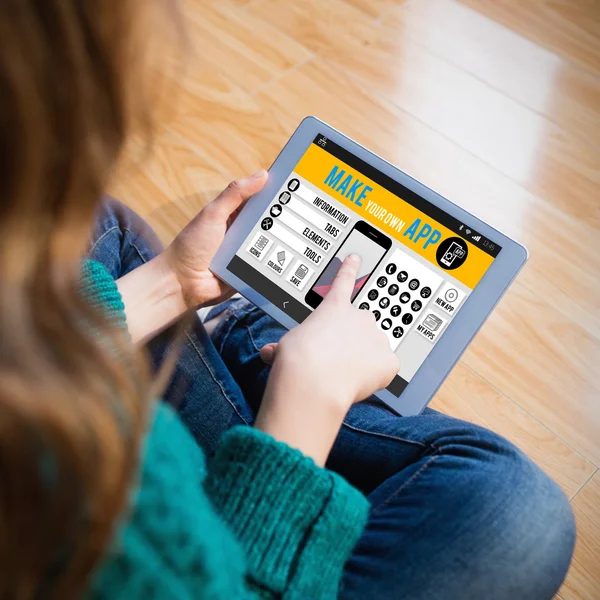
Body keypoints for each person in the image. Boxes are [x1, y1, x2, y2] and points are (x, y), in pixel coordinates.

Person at [0, 1, 575, 599]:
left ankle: (242, 338)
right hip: (228, 550)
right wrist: (307, 402)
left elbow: (25, 351)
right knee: (517, 506)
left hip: (102, 408)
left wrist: (173, 281)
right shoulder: (90, 511)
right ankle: (261, 351)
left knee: (101, 225)